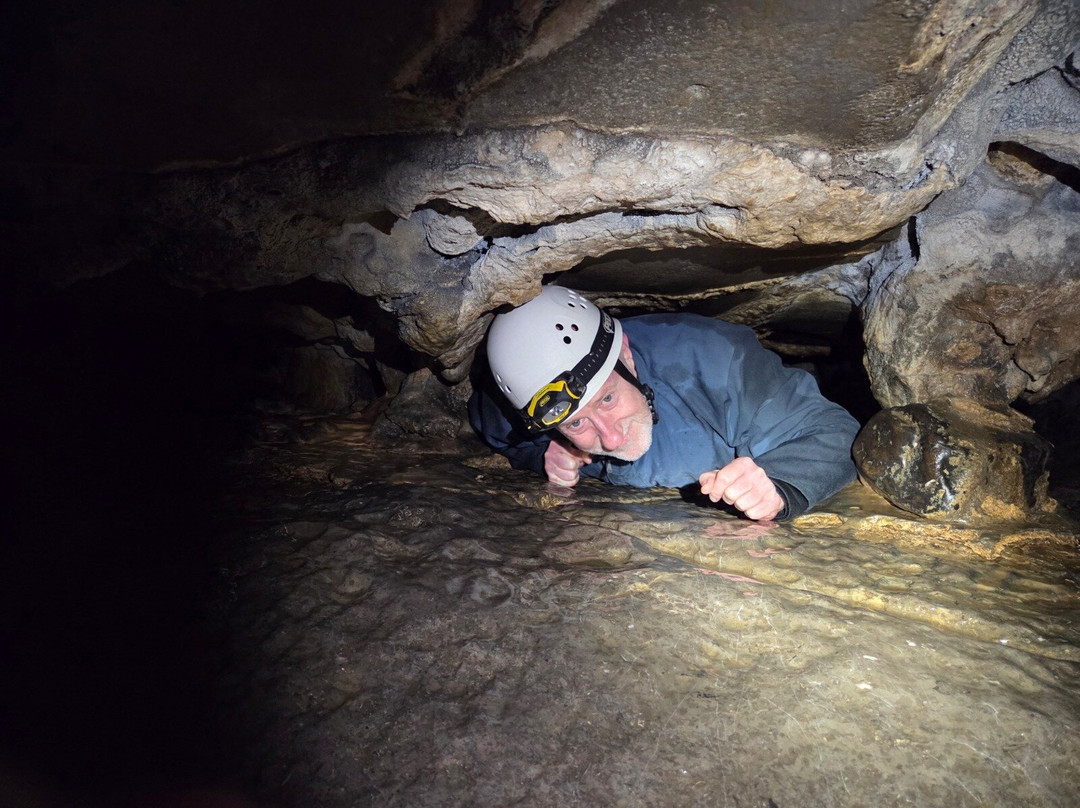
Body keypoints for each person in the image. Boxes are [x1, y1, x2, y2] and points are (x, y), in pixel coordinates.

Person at [468, 286, 860, 521]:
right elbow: (496, 431)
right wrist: (544, 453)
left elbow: (839, 433)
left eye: (606, 398)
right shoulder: (505, 410)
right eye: (575, 423)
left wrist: (777, 485)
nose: (610, 435)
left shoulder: (714, 362)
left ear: (625, 355)